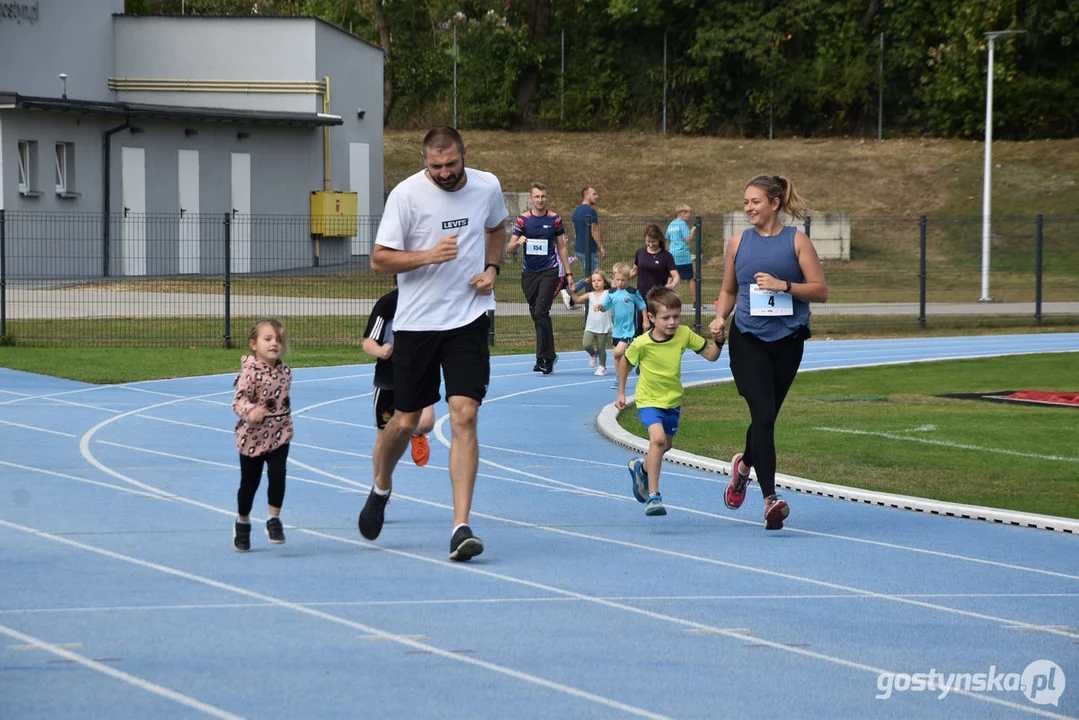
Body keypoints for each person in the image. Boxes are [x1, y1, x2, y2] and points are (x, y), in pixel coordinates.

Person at [361, 126, 508, 561]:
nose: (444, 173)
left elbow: (497, 228)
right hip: (418, 324)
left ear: (465, 154)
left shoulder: (487, 186)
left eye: (451, 164)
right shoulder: (406, 195)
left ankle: (461, 526)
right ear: (425, 162)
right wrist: (427, 255)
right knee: (405, 422)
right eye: (435, 166)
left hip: (467, 318)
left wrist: (493, 268)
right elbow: (378, 259)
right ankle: (380, 486)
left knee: (465, 415)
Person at [708, 174, 828, 530]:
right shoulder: (737, 243)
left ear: (775, 203)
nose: (748, 208)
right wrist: (719, 317)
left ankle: (744, 467)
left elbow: (821, 291)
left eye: (755, 202)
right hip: (747, 338)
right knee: (761, 413)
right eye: (745, 202)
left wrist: (784, 286)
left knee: (766, 418)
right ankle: (770, 499)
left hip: (788, 341)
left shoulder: (797, 241)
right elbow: (729, 290)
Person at [617, 287, 723, 516]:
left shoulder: (684, 334)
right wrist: (621, 393)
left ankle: (641, 468)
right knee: (657, 440)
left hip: (672, 401)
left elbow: (712, 356)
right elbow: (624, 361)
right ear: (652, 318)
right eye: (666, 318)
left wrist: (720, 341)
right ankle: (654, 496)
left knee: (666, 445)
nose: (672, 322)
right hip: (648, 401)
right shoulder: (642, 343)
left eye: (676, 316)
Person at [231, 318, 293, 552]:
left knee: (278, 474)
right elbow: (238, 400)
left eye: (279, 339)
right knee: (250, 483)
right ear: (254, 344)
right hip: (252, 436)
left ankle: (273, 519)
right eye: (267, 339)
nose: (274, 343)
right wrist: (251, 411)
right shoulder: (250, 372)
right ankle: (242, 522)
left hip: (280, 433)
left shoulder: (286, 372)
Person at [362, 283, 436, 474]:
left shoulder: (428, 303)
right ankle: (378, 489)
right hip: (388, 378)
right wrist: (380, 350)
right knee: (384, 435)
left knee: (426, 423)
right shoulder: (387, 304)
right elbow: (368, 343)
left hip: (418, 374)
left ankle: (416, 433)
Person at [507, 182, 572, 375]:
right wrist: (518, 242)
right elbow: (509, 247)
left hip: (549, 271)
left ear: (547, 198)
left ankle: (548, 357)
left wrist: (568, 273)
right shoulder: (522, 220)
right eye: (537, 197)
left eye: (543, 197)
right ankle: (542, 356)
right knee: (536, 314)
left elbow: (561, 247)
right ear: (531, 199)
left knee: (542, 311)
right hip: (529, 274)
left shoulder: (555, 220)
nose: (540, 200)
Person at [597, 262, 646, 382]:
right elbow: (605, 307)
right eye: (617, 279)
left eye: (623, 280)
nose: (620, 283)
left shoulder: (632, 292)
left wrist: (646, 320)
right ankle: (619, 377)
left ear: (628, 279)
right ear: (613, 278)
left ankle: (625, 370)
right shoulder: (612, 293)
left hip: (628, 329)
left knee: (617, 353)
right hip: (616, 330)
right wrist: (600, 307)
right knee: (617, 356)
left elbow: (642, 306)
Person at [631, 224, 679, 332]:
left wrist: (672, 284)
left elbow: (675, 275)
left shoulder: (666, 256)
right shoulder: (640, 253)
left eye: (653, 241)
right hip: (641, 296)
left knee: (656, 329)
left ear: (659, 240)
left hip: (658, 298)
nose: (650, 244)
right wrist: (620, 279)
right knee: (638, 327)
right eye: (648, 241)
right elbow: (634, 271)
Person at [568, 268, 612, 375]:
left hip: (603, 326)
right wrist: (572, 292)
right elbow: (577, 300)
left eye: (599, 280)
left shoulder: (609, 293)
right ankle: (593, 354)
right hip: (591, 326)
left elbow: (617, 289)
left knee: (601, 347)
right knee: (586, 344)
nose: (596, 283)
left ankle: (602, 366)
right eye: (594, 281)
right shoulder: (590, 295)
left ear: (604, 282)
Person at [569, 186, 606, 299]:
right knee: (593, 277)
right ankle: (570, 290)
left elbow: (575, 232)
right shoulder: (590, 211)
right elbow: (594, 230)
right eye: (594, 194)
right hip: (588, 250)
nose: (596, 196)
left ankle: (588, 301)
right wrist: (601, 247)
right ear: (587, 195)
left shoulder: (576, 211)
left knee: (590, 276)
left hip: (579, 249)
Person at [665, 204, 697, 308]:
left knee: (670, 277)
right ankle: (696, 303)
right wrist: (694, 229)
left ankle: (664, 299)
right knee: (691, 278)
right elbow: (687, 239)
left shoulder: (671, 224)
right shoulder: (682, 224)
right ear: (682, 213)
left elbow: (667, 237)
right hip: (683, 255)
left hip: (672, 254)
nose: (689, 215)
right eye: (688, 213)